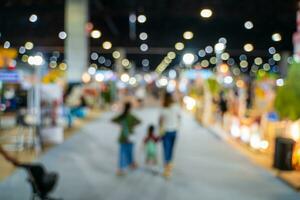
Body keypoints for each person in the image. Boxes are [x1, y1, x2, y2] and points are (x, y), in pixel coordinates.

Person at [112, 102, 141, 176]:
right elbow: (139, 121)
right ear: (130, 108)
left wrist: (120, 124)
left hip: (123, 137)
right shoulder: (131, 116)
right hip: (131, 137)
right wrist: (133, 126)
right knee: (130, 152)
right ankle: (131, 164)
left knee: (122, 153)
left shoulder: (122, 116)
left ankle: (120, 169)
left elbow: (113, 120)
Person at [159, 92, 181, 178]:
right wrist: (177, 124)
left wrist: (160, 128)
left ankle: (166, 167)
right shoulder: (176, 107)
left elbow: (160, 120)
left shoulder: (163, 108)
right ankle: (169, 164)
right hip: (174, 130)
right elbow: (179, 117)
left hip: (165, 131)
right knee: (171, 148)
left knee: (166, 149)